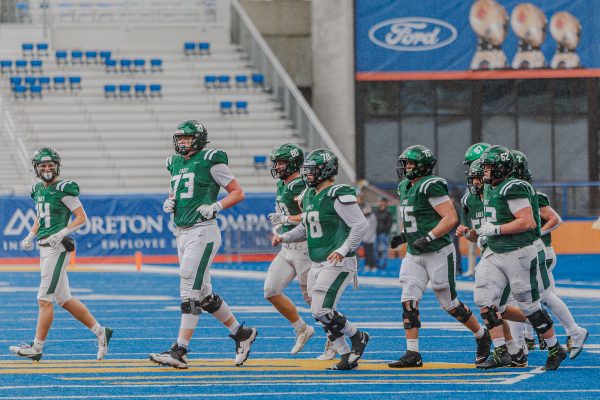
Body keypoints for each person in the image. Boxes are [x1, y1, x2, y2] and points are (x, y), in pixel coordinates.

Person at [149, 120, 257, 369]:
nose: (182, 142)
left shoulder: (211, 159)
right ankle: (241, 333)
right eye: (181, 138)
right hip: (182, 232)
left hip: (203, 231)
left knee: (188, 287)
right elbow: (177, 190)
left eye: (187, 138)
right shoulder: (174, 162)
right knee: (205, 295)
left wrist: (217, 206)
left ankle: (180, 351)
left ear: (198, 139)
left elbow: (237, 192)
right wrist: (171, 201)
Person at [388, 145, 491, 368]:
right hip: (415, 253)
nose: (407, 167)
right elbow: (419, 219)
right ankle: (412, 353)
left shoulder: (431, 185)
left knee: (449, 304)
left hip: (437, 251)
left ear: (423, 167)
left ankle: (481, 334)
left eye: (411, 163)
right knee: (408, 300)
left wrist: (429, 237)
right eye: (406, 163)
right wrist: (404, 237)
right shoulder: (405, 186)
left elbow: (450, 218)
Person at [272, 148, 370, 370]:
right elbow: (306, 228)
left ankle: (358, 336)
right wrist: (284, 237)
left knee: (320, 310)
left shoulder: (338, 193)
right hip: (318, 261)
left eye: (312, 171)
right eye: (306, 171)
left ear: (325, 171)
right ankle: (345, 354)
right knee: (320, 313)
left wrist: (344, 250)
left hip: (338, 262)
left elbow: (360, 225)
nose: (307, 175)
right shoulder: (309, 194)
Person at [11, 147, 112, 361]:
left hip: (57, 249)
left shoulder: (64, 188)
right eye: (43, 166)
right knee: (64, 299)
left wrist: (63, 232)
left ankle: (37, 348)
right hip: (44, 248)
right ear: (36, 169)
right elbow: (41, 216)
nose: (47, 169)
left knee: (43, 299)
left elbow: (81, 217)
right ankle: (101, 332)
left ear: (57, 166)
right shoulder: (37, 189)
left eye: (50, 165)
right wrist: (30, 235)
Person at [472, 145, 566, 370]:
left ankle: (555, 347)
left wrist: (495, 230)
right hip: (495, 251)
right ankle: (501, 352)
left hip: (519, 251)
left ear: (502, 167)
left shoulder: (514, 187)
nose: (484, 170)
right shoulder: (492, 188)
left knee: (528, 305)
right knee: (484, 298)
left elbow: (528, 222)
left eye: (488, 166)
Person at [511, 150, 588, 359]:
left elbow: (554, 219)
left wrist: (535, 234)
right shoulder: (512, 192)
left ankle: (523, 343)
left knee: (534, 297)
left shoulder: (529, 195)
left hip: (539, 251)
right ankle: (533, 337)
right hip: (531, 252)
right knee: (539, 297)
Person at [265, 143, 317, 355]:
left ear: (294, 163)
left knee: (315, 301)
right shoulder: (282, 184)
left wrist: (285, 218)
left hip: (304, 247)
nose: (277, 166)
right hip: (287, 247)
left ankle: (335, 338)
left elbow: (311, 216)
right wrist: (280, 227)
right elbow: (284, 217)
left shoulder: (300, 185)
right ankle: (302, 328)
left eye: (282, 162)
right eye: (276, 162)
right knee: (271, 290)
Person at [374, 197, 393, 269]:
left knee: (384, 250)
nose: (382, 203)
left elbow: (389, 223)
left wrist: (386, 232)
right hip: (376, 233)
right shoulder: (376, 211)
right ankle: (377, 264)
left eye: (384, 202)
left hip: (384, 234)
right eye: (381, 201)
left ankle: (383, 265)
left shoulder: (388, 212)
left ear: (386, 203)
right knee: (375, 249)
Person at [360, 197, 377, 272]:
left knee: (371, 253)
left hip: (370, 239)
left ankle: (372, 266)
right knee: (366, 253)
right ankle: (367, 265)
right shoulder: (365, 218)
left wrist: (367, 237)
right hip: (365, 238)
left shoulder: (372, 218)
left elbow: (372, 229)